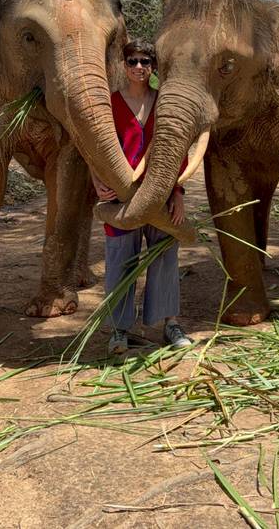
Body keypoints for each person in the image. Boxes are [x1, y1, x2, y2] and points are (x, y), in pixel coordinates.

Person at [93, 39, 192, 355]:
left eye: (145, 62)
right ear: (124, 65)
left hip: (160, 196)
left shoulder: (165, 103)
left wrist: (178, 193)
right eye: (133, 61)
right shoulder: (109, 104)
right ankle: (120, 330)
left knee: (164, 258)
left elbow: (178, 151)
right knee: (120, 261)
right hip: (120, 198)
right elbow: (93, 150)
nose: (139, 67)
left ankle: (170, 324)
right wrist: (97, 183)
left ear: (154, 67)